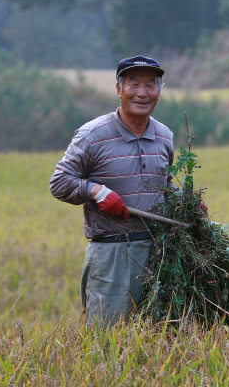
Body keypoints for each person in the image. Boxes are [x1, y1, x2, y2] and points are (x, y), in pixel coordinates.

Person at [50, 55, 175, 328]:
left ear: (159, 91)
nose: (142, 93)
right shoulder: (92, 134)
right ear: (119, 90)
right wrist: (96, 191)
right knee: (108, 344)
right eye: (133, 84)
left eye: (151, 85)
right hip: (113, 253)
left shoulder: (165, 136)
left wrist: (186, 203)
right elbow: (59, 182)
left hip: (160, 253)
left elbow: (167, 184)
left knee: (160, 341)